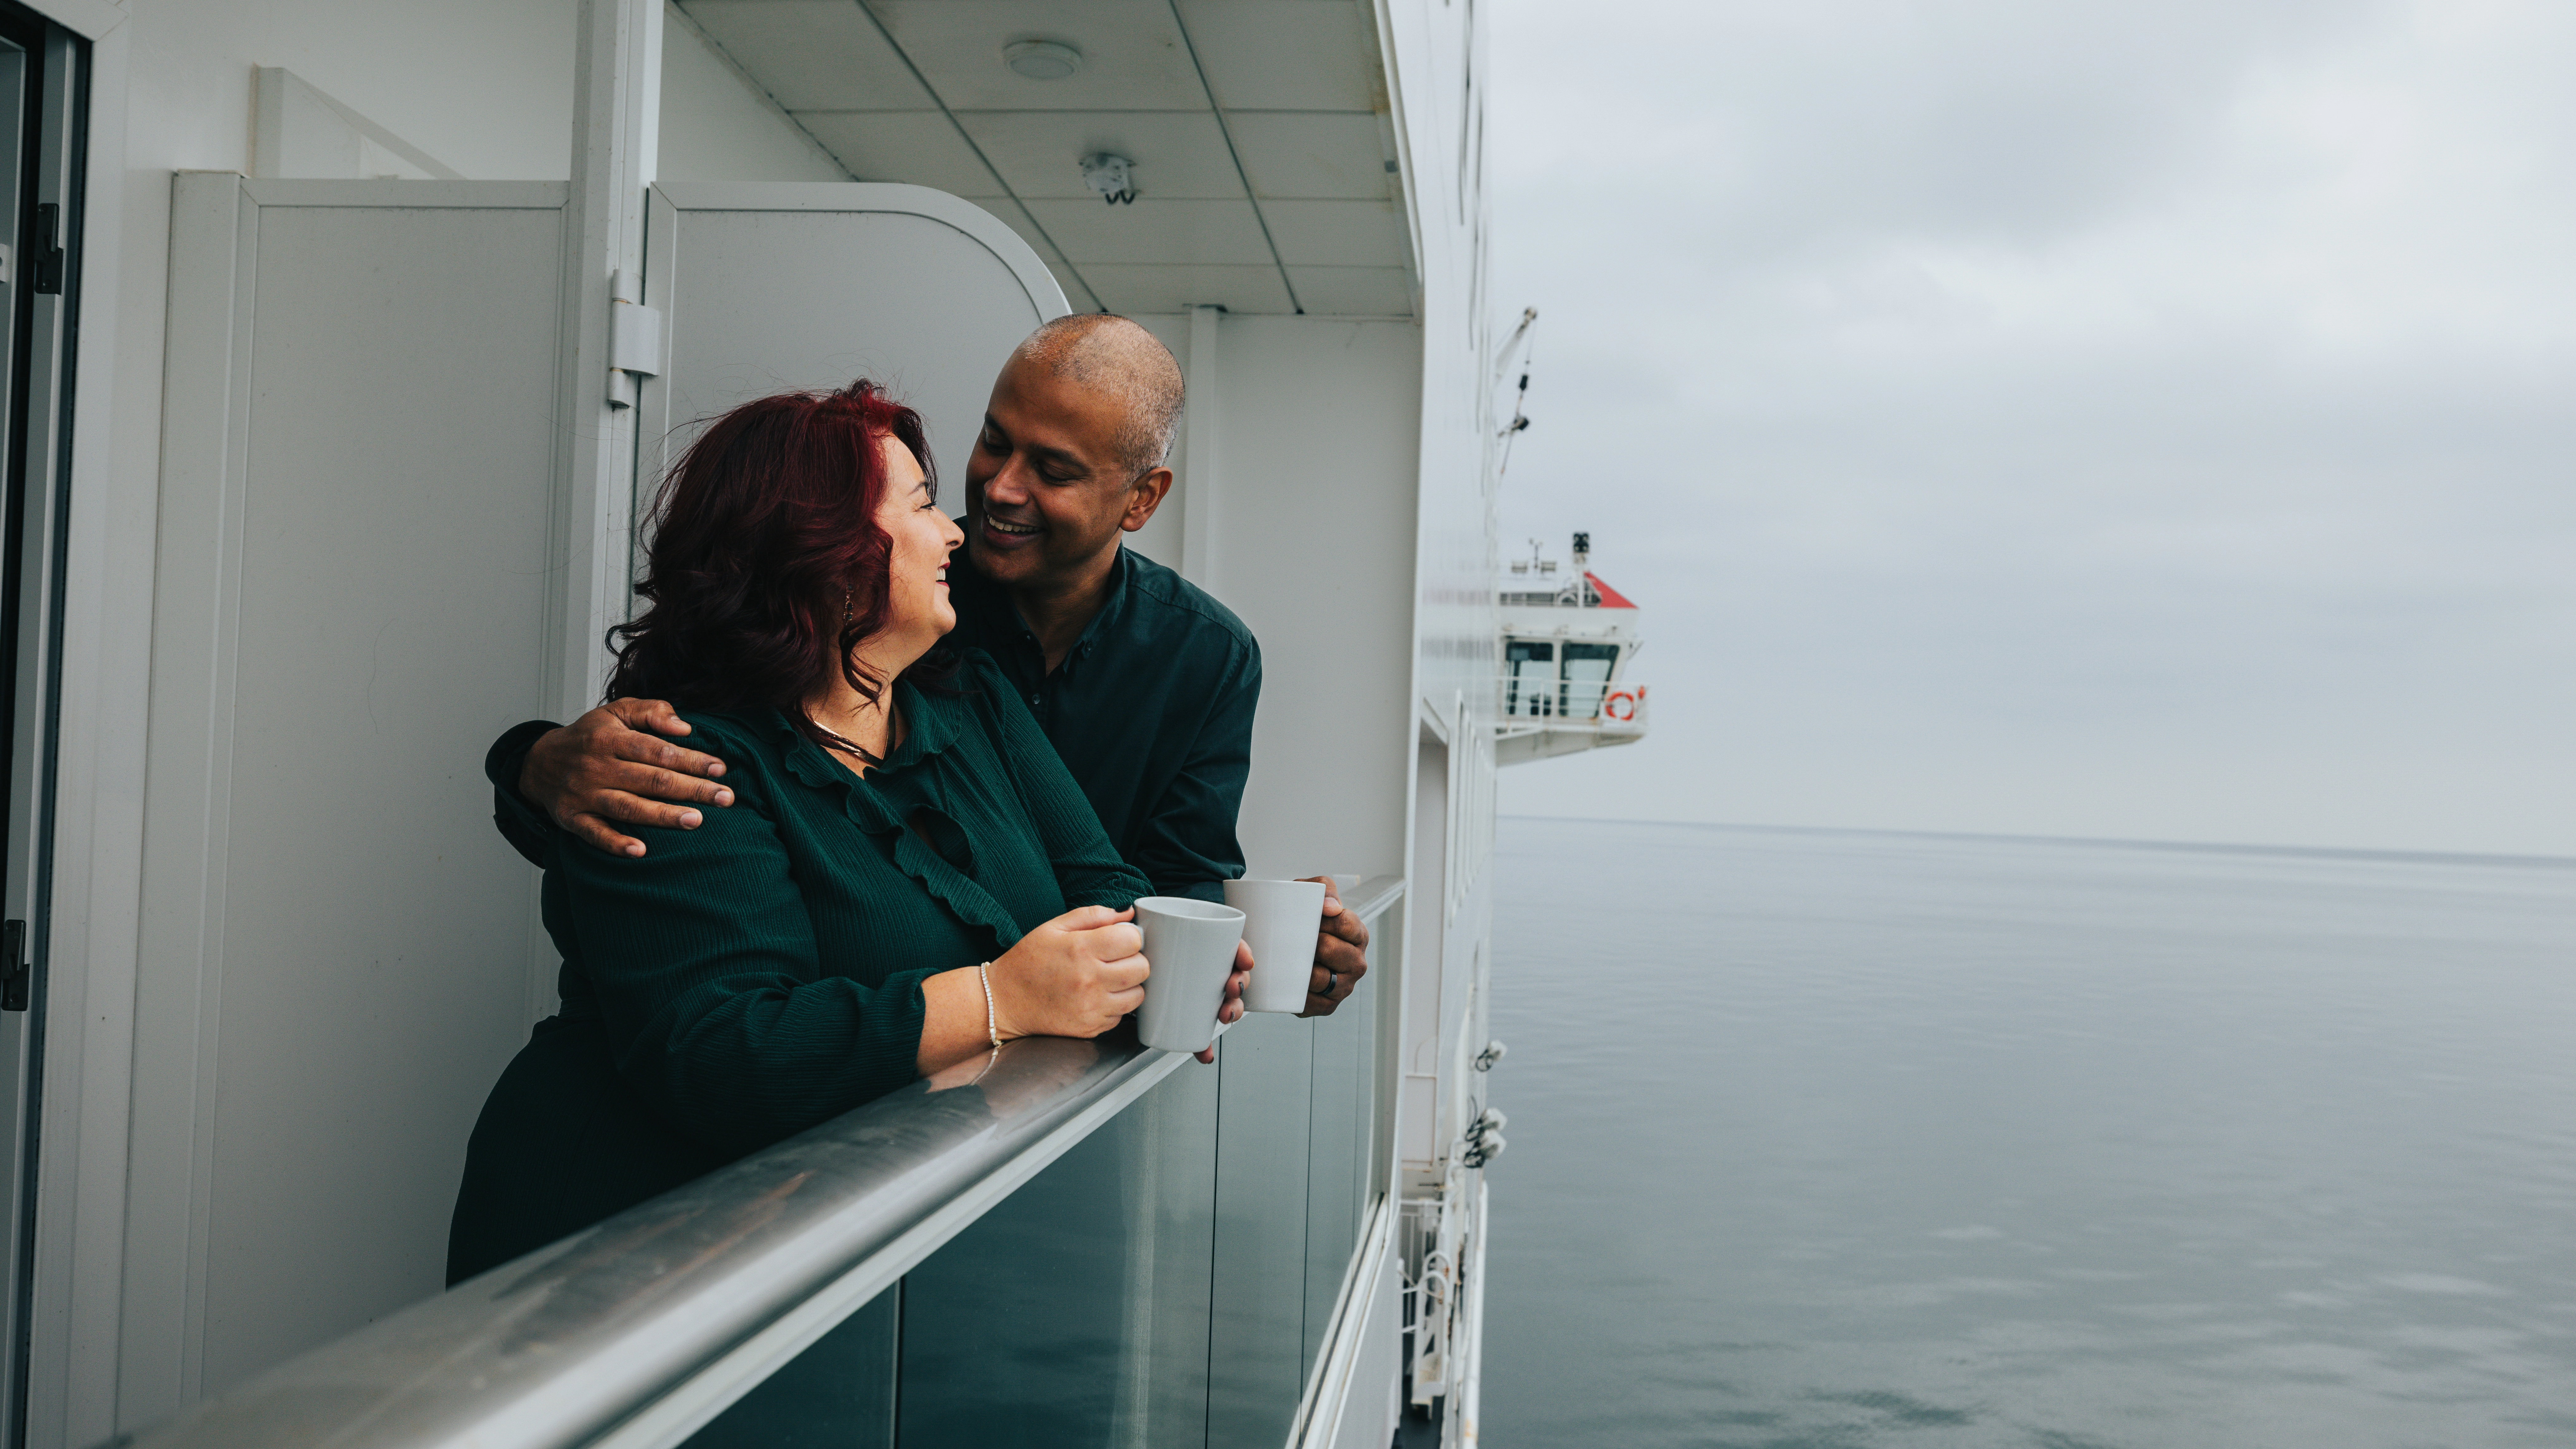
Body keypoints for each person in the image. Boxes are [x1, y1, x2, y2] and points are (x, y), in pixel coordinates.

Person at [445, 381, 1243, 1284]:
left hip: (843, 1241)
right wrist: (1000, 999)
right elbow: (717, 1055)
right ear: (831, 560)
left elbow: (1099, 877)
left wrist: (1156, 955)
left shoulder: (965, 697)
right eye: (921, 506)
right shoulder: (677, 762)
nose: (956, 531)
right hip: (636, 1258)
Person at [486, 315, 1371, 1016]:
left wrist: (1255, 952)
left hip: (1013, 1094)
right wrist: (536, 763)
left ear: (1140, 499)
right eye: (994, 441)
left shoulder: (1199, 656)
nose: (993, 492)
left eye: (1053, 469)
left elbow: (1159, 886)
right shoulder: (903, 612)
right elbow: (674, 788)